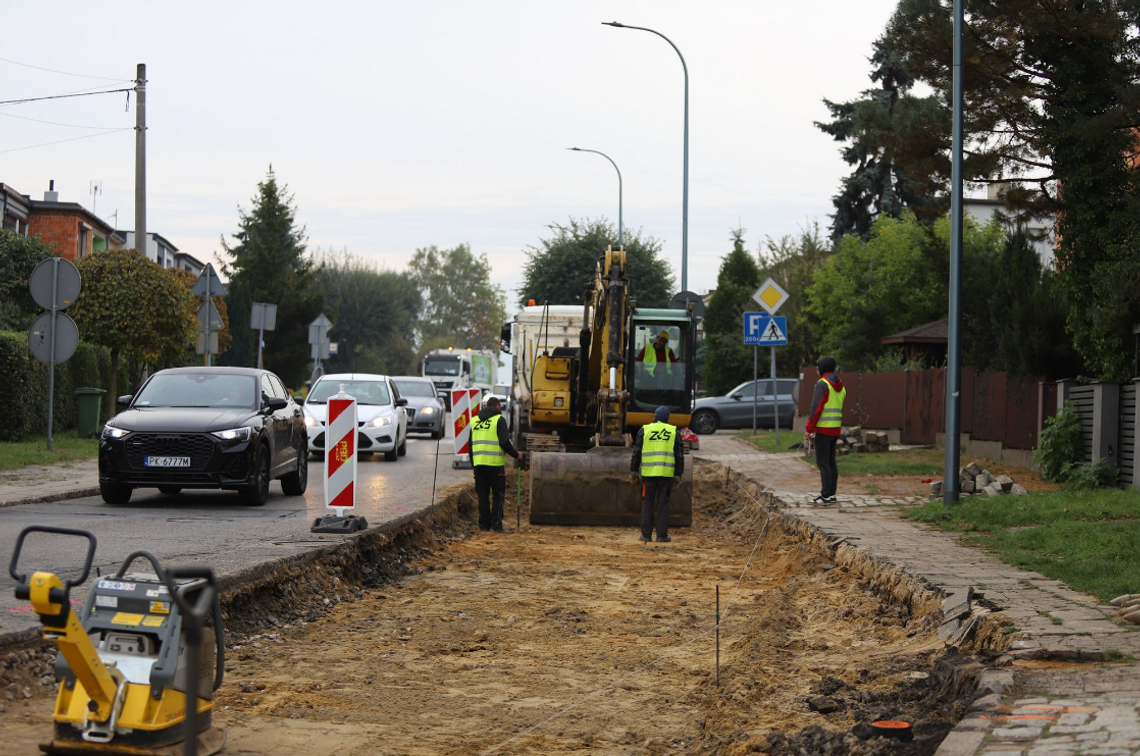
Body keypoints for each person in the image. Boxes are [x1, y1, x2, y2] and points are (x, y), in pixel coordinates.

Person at [630, 405, 684, 543]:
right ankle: (662, 536)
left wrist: (634, 470)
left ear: (654, 417)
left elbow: (637, 452)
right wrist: (678, 474)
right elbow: (678, 455)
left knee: (647, 503)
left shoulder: (645, 430)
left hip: (648, 474)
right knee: (663, 503)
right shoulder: (673, 431)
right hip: (666, 475)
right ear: (667, 418)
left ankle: (646, 535)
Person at [469, 396, 522, 532]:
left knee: (483, 496)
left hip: (479, 464)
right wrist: (517, 455)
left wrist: (473, 465)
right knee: (498, 494)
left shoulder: (475, 421)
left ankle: (484, 526)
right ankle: (497, 525)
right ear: (498, 407)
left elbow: (470, 446)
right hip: (495, 465)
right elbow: (504, 442)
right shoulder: (499, 420)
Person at [804, 356, 846, 503]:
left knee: (823, 462)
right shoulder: (840, 385)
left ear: (821, 369)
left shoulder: (822, 384)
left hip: (823, 429)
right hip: (835, 429)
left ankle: (825, 495)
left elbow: (816, 408)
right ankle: (832, 493)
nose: (816, 370)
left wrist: (809, 428)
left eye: (817, 367)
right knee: (831, 461)